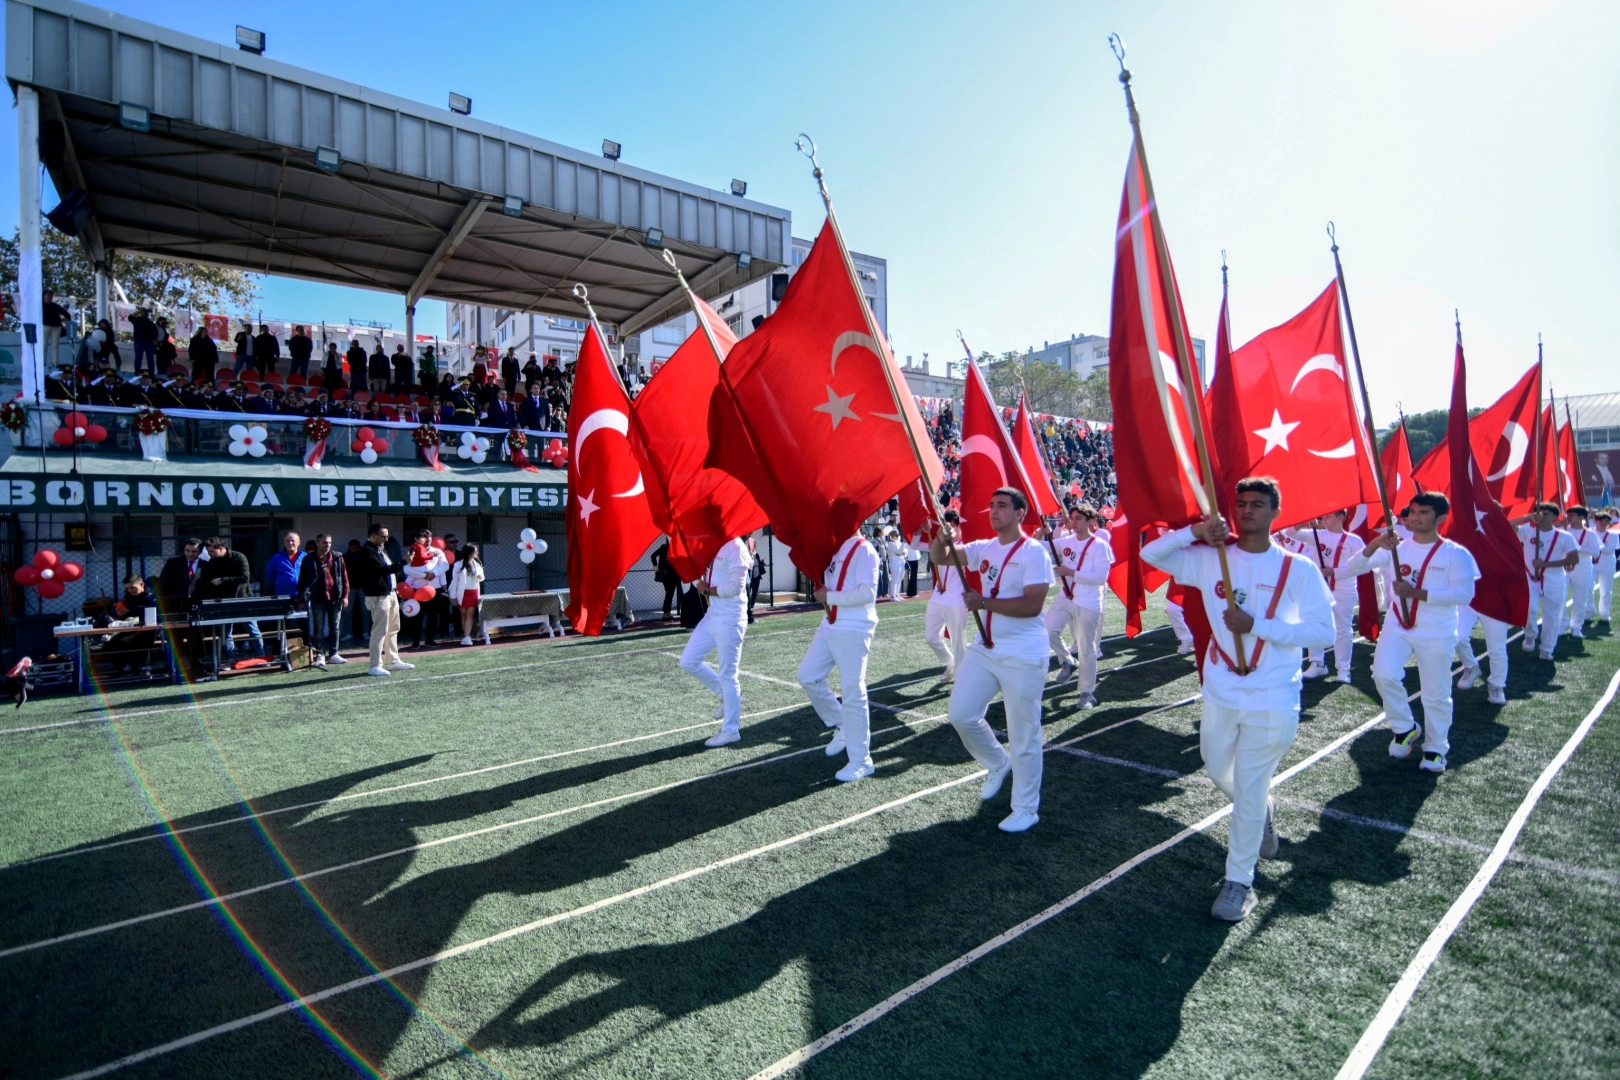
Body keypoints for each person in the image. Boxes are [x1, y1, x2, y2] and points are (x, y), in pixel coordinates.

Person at [1142, 477, 1336, 921]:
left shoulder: (1298, 568)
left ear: (1275, 512)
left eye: (1258, 504)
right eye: (1241, 503)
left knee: (1248, 787)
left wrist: (1257, 625)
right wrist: (1195, 532)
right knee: (1216, 767)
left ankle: (1239, 883)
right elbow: (1150, 555)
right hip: (1222, 688)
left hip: (1273, 693)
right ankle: (1263, 811)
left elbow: (1323, 632)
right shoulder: (1212, 559)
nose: (1248, 510)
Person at [931, 488, 1055, 833]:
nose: (993, 510)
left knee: (1024, 734)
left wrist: (983, 603)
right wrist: (941, 537)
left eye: (1001, 505)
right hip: (986, 649)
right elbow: (940, 557)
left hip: (1024, 654)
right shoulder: (984, 547)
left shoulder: (1034, 553)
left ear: (1020, 513)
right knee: (960, 714)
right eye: (991, 505)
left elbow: (1032, 605)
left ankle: (1026, 808)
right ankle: (998, 762)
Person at [1341, 491, 1480, 775]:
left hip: (1436, 631)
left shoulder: (1456, 553)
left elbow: (1465, 594)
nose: (1414, 517)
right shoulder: (1395, 549)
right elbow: (1347, 570)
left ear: (1440, 518)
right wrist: (1375, 544)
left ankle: (1436, 749)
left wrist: (1416, 592)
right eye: (1412, 512)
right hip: (1398, 625)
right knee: (1383, 673)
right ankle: (1404, 727)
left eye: (1423, 512)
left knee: (1436, 693)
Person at [797, 528, 882, 782]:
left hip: (854, 628)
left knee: (853, 692)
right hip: (831, 623)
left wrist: (829, 596)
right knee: (807, 676)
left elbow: (868, 593)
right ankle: (841, 723)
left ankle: (861, 761)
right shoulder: (836, 548)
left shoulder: (865, 549)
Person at [683, 532, 752, 747]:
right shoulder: (710, 542)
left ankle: (731, 730)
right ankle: (726, 694)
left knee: (728, 675)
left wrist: (708, 590)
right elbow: (701, 573)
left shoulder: (736, 547)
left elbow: (737, 587)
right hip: (712, 616)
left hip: (730, 618)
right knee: (687, 661)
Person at [1043, 503, 1114, 709]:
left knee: (1086, 648)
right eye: (1071, 518)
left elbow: (1101, 577)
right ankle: (1068, 661)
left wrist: (1071, 573)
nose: (1073, 522)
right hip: (1067, 597)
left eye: (1078, 519)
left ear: (1090, 522)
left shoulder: (1100, 545)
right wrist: (1044, 532)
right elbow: (1043, 546)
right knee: (1048, 630)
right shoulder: (1067, 540)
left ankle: (1087, 693)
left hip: (1089, 601)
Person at [1293, 510, 1366, 683]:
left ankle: (1343, 669)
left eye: (1328, 516)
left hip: (1344, 589)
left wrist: (1334, 572)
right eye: (1323, 516)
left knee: (1343, 629)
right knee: (1315, 624)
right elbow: (1291, 533)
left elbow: (1364, 566)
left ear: (1340, 518)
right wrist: (1302, 520)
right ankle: (1317, 664)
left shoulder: (1354, 540)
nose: (1323, 519)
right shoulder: (1316, 535)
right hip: (1319, 588)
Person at [1518, 501, 1578, 659]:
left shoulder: (1564, 536)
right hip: (1531, 578)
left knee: (1551, 615)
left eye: (1546, 514)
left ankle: (1547, 648)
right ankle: (1530, 636)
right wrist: (1528, 517)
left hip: (1554, 579)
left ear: (1555, 517)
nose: (1542, 517)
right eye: (1539, 513)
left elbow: (1574, 558)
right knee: (1529, 608)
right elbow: (1505, 527)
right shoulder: (1527, 531)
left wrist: (1546, 564)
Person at [355, 523, 412, 676]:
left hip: (390, 593)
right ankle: (375, 665)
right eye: (383, 536)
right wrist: (404, 562)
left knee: (393, 628)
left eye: (386, 536)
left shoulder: (380, 549)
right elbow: (381, 570)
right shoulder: (367, 551)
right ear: (373, 535)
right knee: (379, 631)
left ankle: (393, 661)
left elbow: (388, 572)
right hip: (378, 596)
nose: (386, 539)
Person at [192, 537, 263, 659]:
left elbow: (244, 577)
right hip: (223, 600)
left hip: (242, 598)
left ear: (221, 548)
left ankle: (261, 655)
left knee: (252, 628)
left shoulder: (238, 557)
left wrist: (223, 580)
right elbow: (207, 580)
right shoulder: (213, 562)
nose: (209, 554)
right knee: (225, 632)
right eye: (208, 552)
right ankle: (230, 657)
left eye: (212, 552)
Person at [924, 509, 971, 683]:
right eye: (946, 526)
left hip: (957, 600)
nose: (948, 530)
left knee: (958, 642)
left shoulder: (967, 546)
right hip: (938, 597)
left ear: (960, 527)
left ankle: (962, 681)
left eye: (952, 526)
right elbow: (915, 544)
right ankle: (950, 663)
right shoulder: (938, 543)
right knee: (931, 637)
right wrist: (923, 528)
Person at [297, 534, 348, 667]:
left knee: (335, 627)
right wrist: (301, 599)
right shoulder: (308, 559)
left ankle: (333, 653)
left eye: (330, 543)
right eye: (325, 543)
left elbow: (344, 578)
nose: (328, 545)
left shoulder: (337, 557)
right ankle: (320, 654)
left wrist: (345, 596)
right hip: (317, 598)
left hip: (335, 598)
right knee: (318, 628)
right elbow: (302, 580)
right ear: (317, 543)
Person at [1564, 506, 1601, 638]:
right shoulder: (1563, 530)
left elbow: (1596, 552)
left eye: (1572, 515)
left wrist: (1577, 547)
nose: (1568, 518)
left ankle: (1576, 626)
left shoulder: (1590, 533)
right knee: (1558, 598)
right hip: (1564, 567)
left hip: (1583, 568)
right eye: (1568, 515)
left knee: (1580, 600)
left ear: (1582, 517)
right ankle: (1563, 623)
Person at [448, 543, 485, 645]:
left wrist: (479, 575)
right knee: (463, 615)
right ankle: (466, 636)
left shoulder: (477, 563)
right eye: (475, 551)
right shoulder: (458, 565)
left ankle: (467, 637)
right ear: (470, 553)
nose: (477, 553)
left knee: (470, 614)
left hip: (473, 592)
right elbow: (454, 581)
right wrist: (452, 596)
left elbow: (482, 577)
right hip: (462, 593)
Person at [1594, 509, 1617, 623]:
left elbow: (1608, 550)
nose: (1604, 523)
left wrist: (1596, 540)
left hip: (1607, 564)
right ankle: (1589, 611)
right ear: (1596, 521)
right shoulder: (1589, 533)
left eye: (1607, 521)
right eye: (1602, 520)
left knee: (1606, 590)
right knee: (1588, 588)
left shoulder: (1612, 535)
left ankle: (1604, 613)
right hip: (1592, 564)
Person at [41, 289, 69, 367]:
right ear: (44, 296)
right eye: (48, 295)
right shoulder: (40, 305)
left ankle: (55, 361)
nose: (50, 297)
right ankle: (43, 361)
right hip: (45, 326)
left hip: (56, 327)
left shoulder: (55, 306)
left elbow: (66, 314)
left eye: (51, 295)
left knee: (55, 345)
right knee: (44, 344)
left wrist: (65, 320)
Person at [129, 308, 159, 376]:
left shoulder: (151, 324)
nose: (144, 314)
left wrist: (155, 342)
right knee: (138, 358)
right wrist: (139, 311)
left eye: (145, 313)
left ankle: (151, 374)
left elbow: (155, 334)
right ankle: (137, 373)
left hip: (149, 343)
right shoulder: (137, 321)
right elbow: (130, 317)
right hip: (138, 341)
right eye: (143, 312)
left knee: (150, 359)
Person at [883, 528, 908, 602]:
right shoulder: (891, 543)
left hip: (901, 561)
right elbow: (899, 551)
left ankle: (897, 594)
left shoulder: (898, 542)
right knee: (895, 579)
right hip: (894, 562)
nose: (898, 536)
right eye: (896, 535)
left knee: (899, 579)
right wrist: (903, 546)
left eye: (898, 535)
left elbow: (905, 551)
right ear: (892, 536)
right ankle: (892, 596)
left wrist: (902, 551)